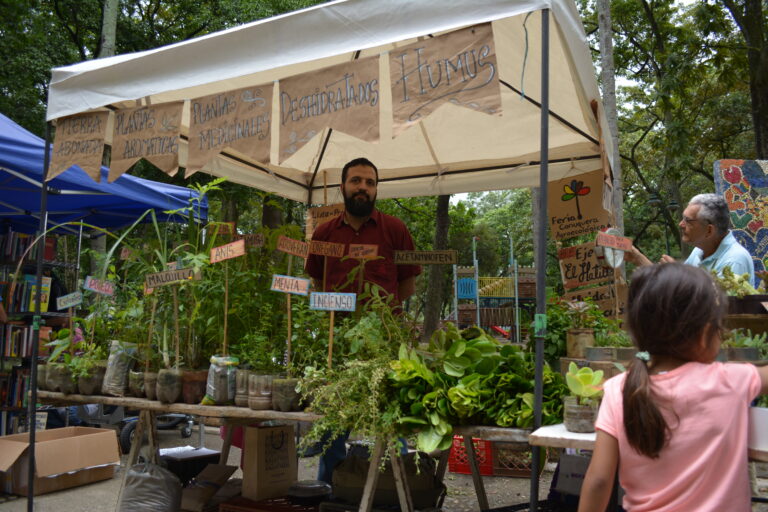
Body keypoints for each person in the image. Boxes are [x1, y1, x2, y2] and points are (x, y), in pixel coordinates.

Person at [578, 263, 768, 512]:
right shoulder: (731, 380)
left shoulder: (618, 389)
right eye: (719, 328)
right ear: (704, 334)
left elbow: (599, 481)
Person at [304, 157, 421, 484]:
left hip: (383, 344)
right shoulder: (325, 233)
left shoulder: (395, 229)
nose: (363, 188)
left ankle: (392, 489)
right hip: (337, 344)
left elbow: (407, 284)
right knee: (333, 421)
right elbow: (316, 281)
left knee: (389, 419)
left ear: (376, 189)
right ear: (343, 187)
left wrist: (386, 318)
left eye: (369, 183)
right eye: (356, 181)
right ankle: (329, 488)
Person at [626, 193, 755, 284]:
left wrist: (677, 275)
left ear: (709, 230)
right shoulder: (700, 251)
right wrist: (637, 257)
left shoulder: (734, 260)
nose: (680, 224)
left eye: (688, 221)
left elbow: (712, 310)